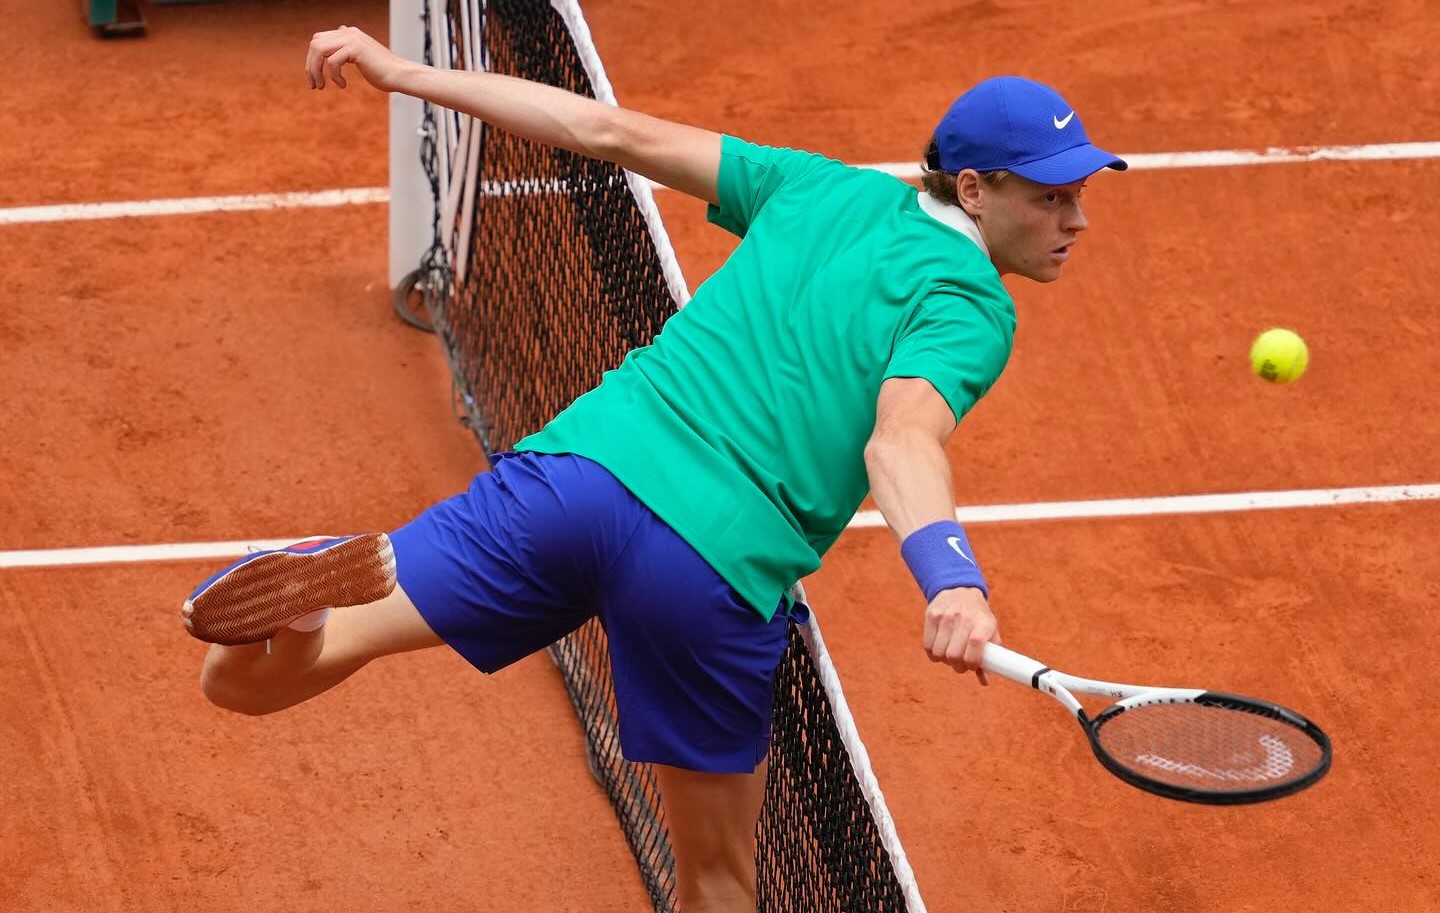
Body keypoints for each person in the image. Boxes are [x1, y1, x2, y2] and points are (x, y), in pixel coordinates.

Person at [184, 25, 1126, 913]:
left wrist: (403, 74)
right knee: (717, 883)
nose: (1076, 217)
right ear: (973, 190)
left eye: (1078, 192)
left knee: (239, 683)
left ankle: (303, 612)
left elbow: (606, 130)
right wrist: (952, 580)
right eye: (1050, 196)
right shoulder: (971, 306)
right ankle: (307, 606)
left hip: (579, 477)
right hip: (707, 574)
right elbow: (899, 441)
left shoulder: (817, 185)